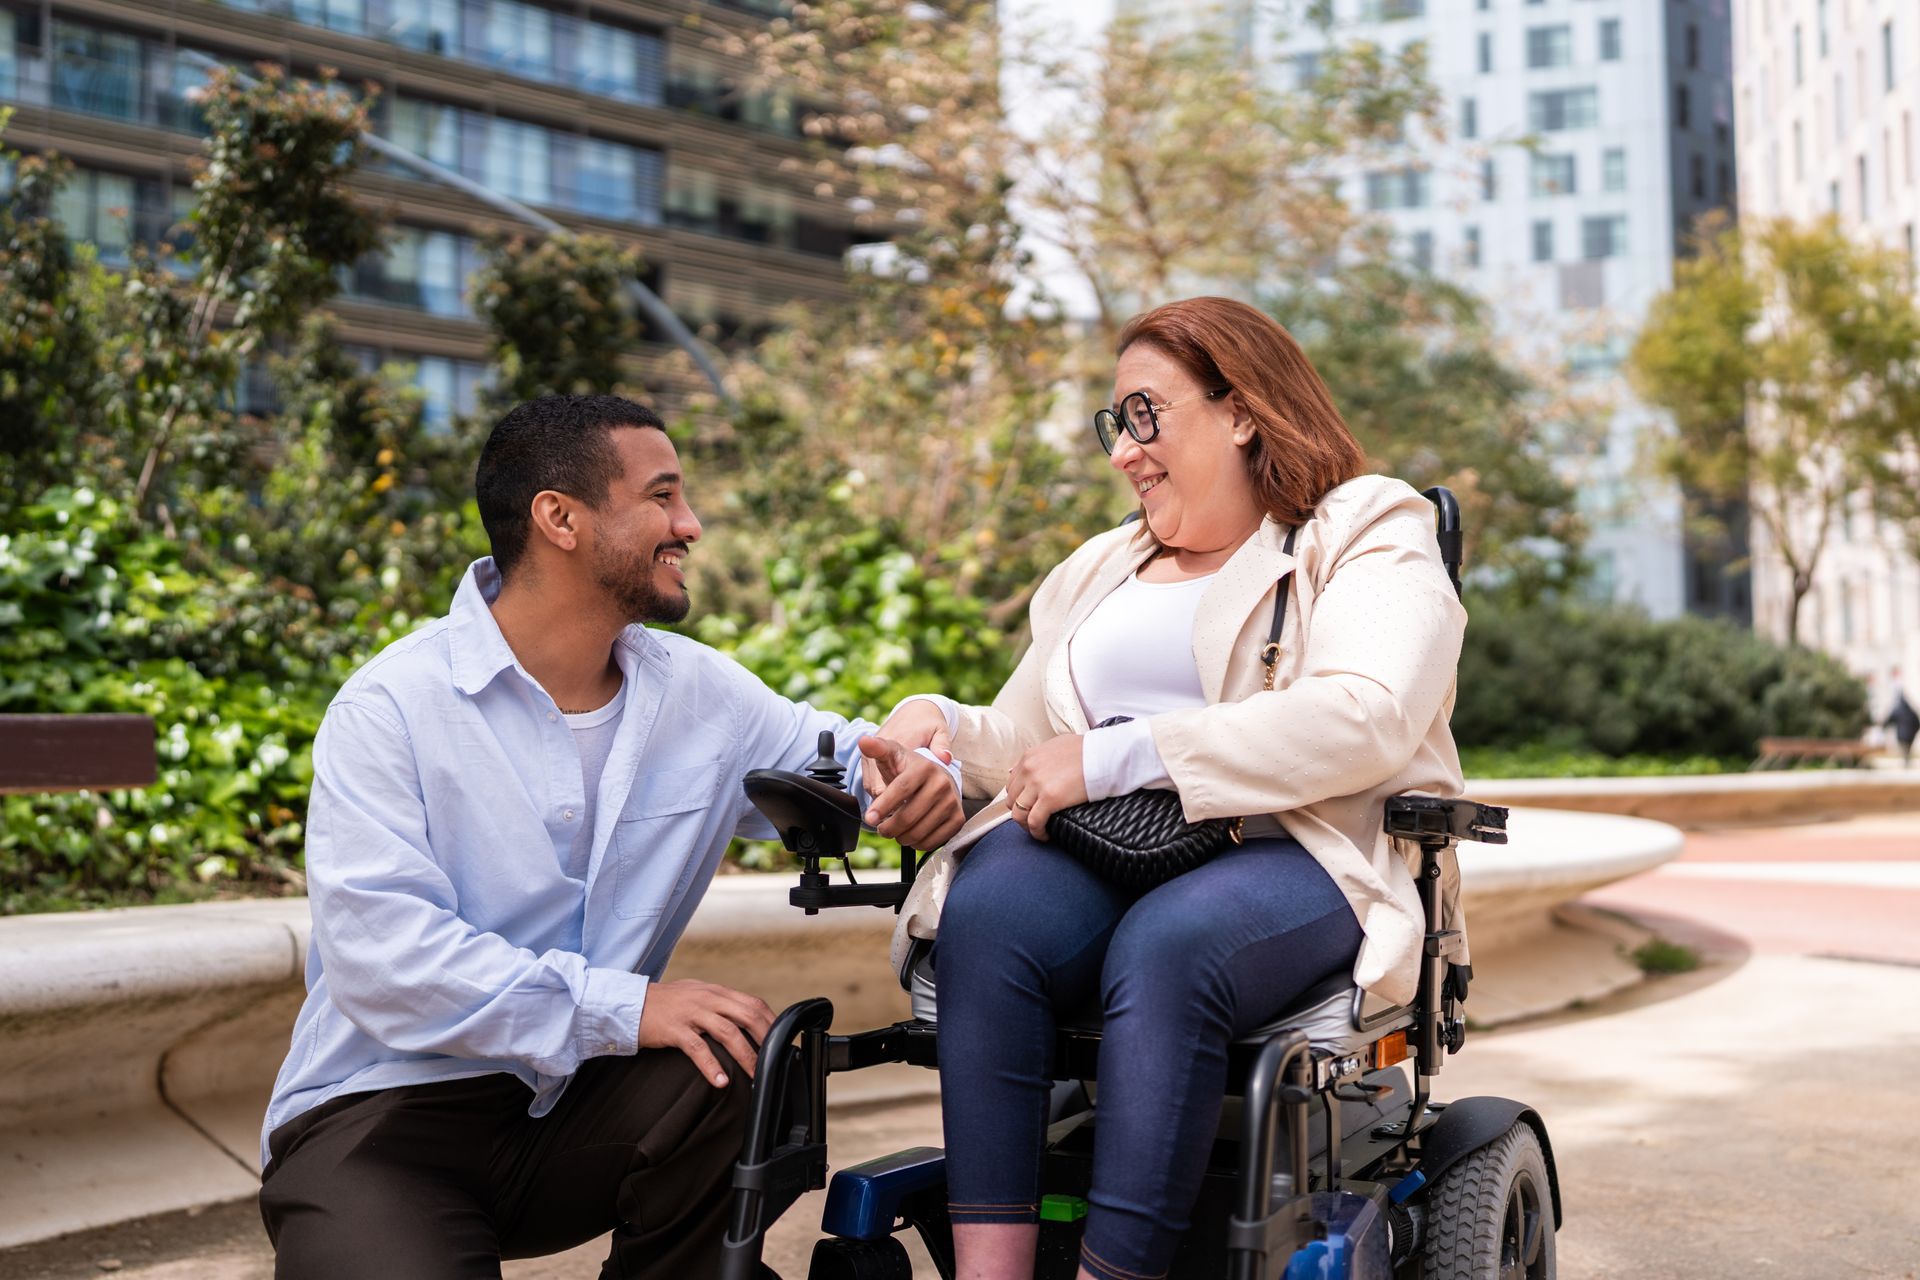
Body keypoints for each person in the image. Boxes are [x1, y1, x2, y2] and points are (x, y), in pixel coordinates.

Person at [257, 394, 965, 1280]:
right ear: (559, 517)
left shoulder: (701, 694)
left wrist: (923, 778)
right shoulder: (392, 707)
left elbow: (849, 764)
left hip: (575, 1112)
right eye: (662, 497)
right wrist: (624, 1007)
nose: (691, 524)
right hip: (380, 1118)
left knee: (739, 1062)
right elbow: (384, 962)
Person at [877, 297, 1469, 1280]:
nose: (1124, 452)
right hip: (1106, 847)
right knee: (985, 909)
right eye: (1117, 423)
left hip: (1289, 848)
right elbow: (1028, 738)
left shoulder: (1363, 524)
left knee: (1173, 944)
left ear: (1242, 409)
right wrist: (932, 718)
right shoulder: (1100, 567)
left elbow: (1367, 711)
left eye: (1144, 414)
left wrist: (1120, 756)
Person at [1884, 667, 1918, 767]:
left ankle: (1906, 762)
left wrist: (1885, 725)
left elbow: (1892, 716)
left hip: (1904, 732)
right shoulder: (1909, 709)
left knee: (1905, 748)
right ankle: (1906, 762)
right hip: (1909, 732)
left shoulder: (1900, 707)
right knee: (1906, 749)